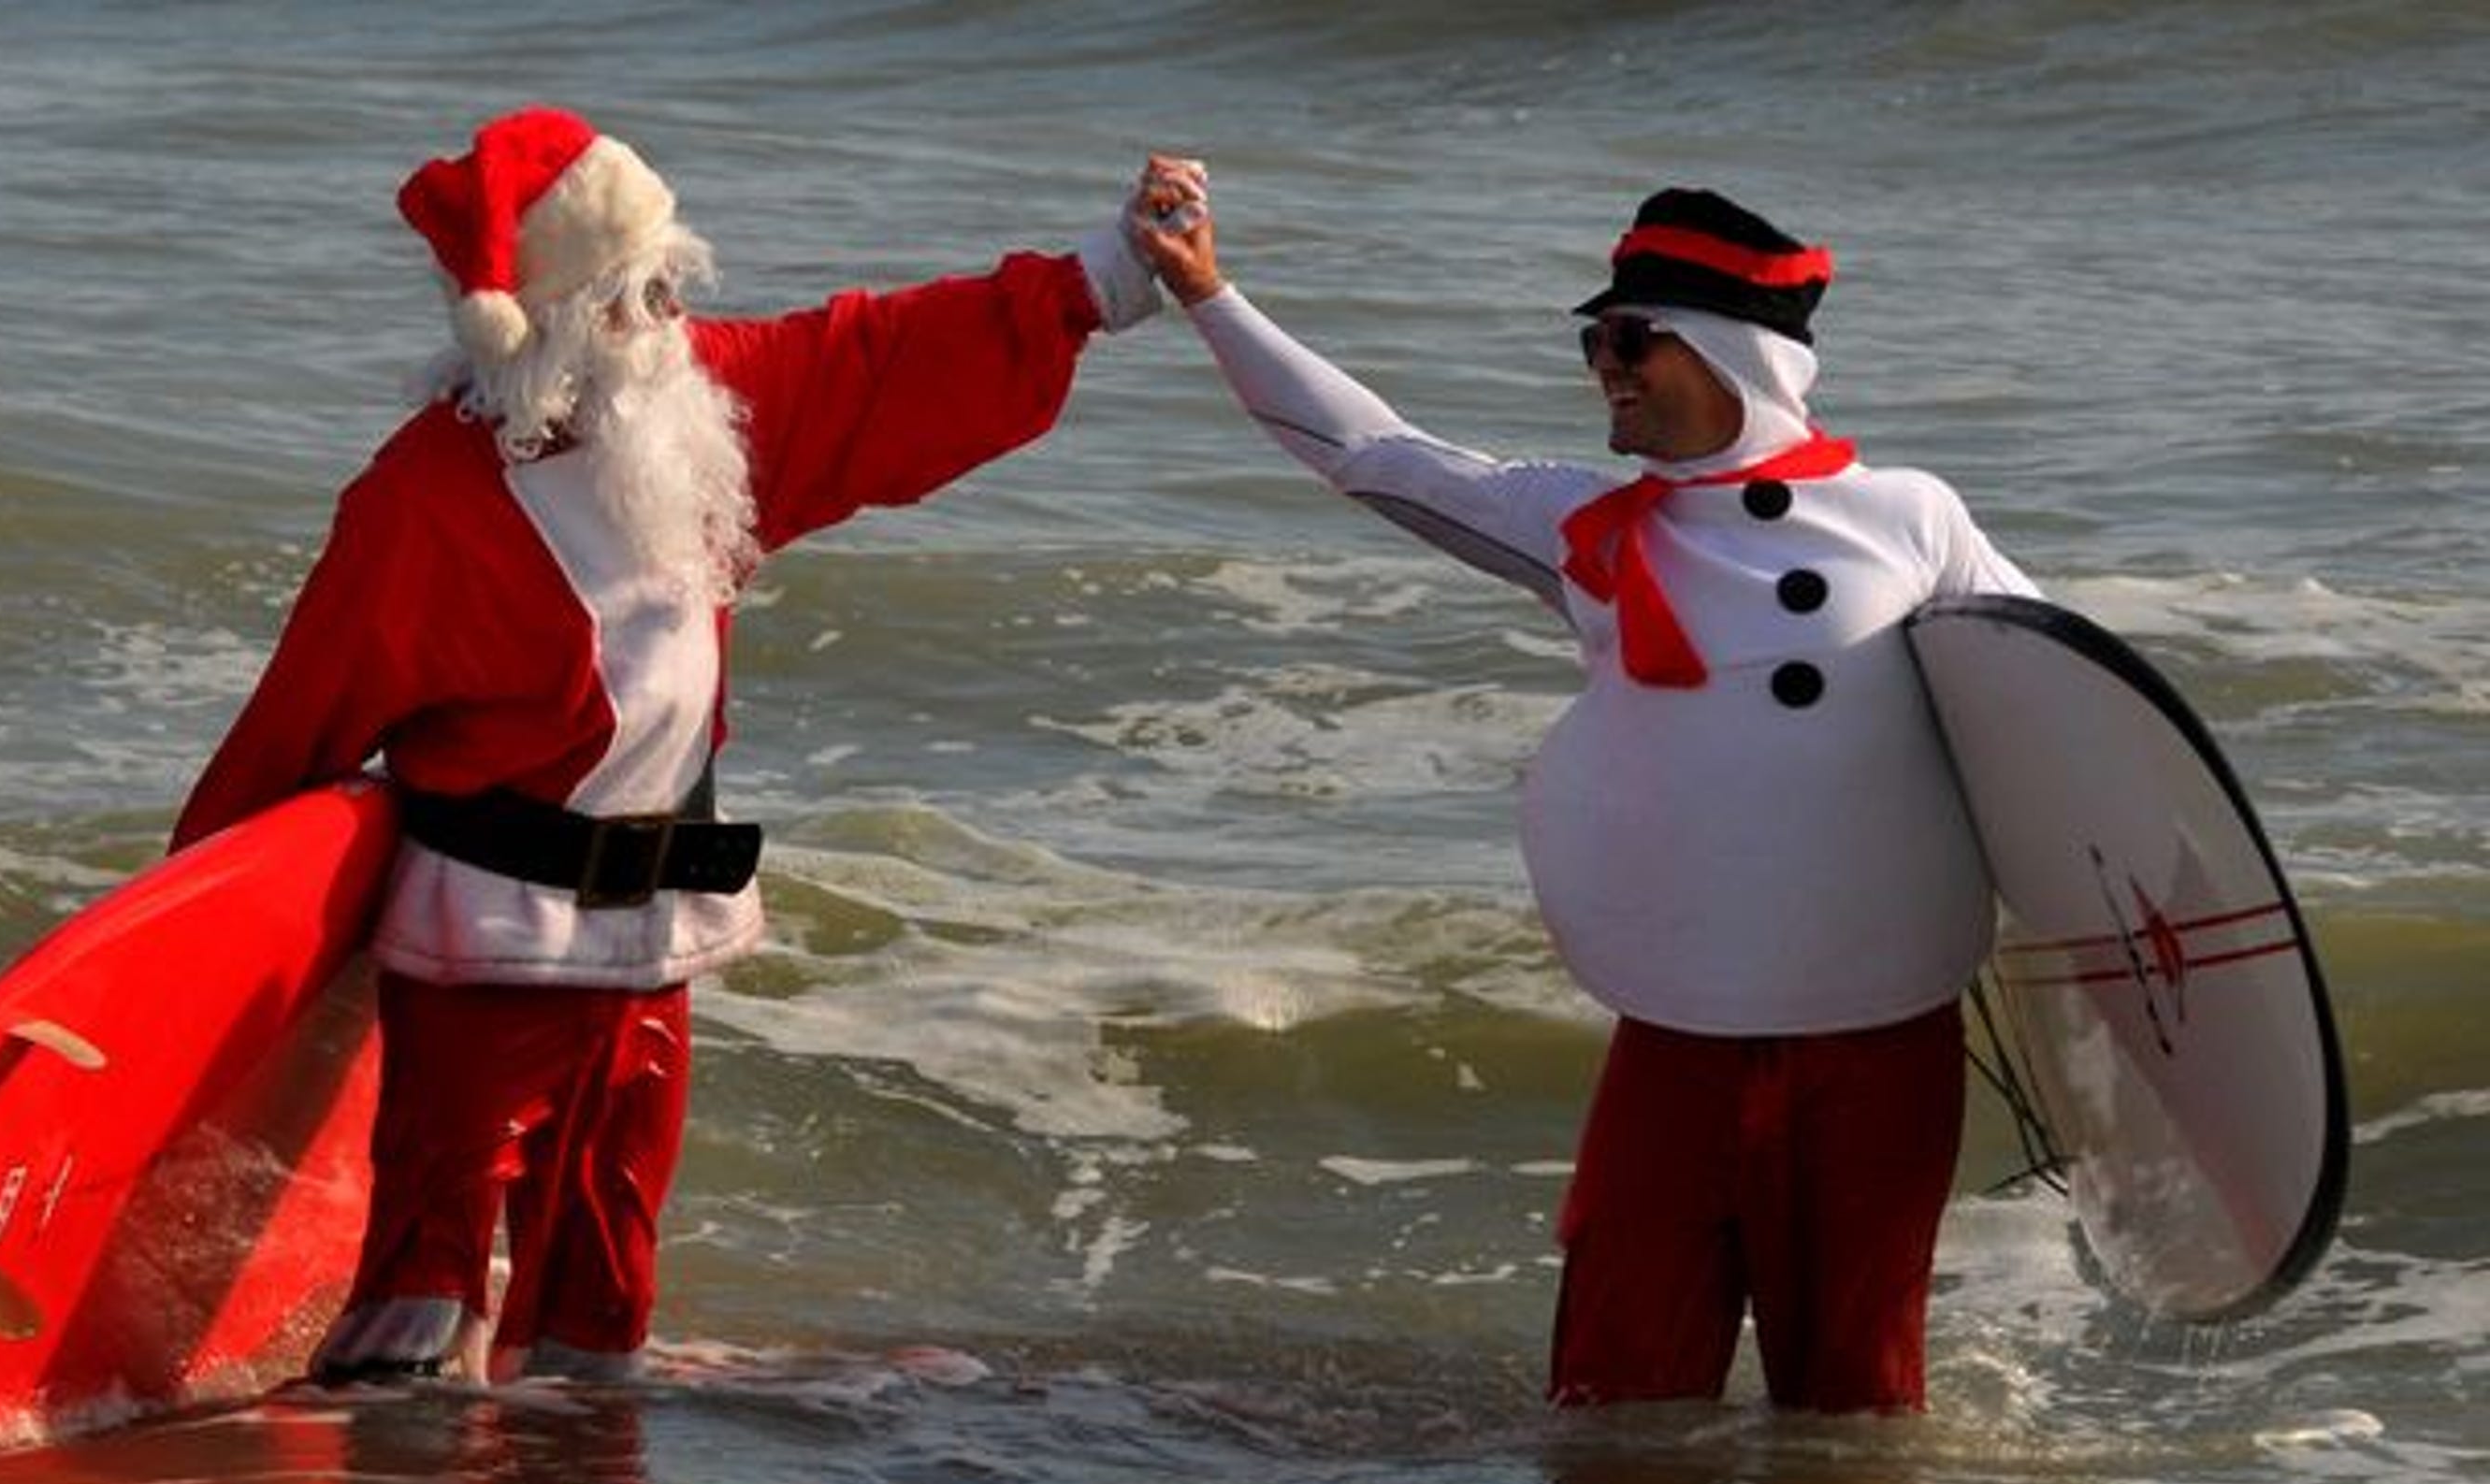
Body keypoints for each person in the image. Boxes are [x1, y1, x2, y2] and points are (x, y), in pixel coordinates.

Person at [170, 106, 1171, 1385]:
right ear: (546, 322)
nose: (665, 323)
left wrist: (1107, 272)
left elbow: (884, 357)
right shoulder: (419, 504)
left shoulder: (703, 413)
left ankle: (575, 1483)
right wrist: (194, 959)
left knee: (604, 1270)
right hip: (488, 959)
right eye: (631, 298)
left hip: (652, 947)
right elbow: (293, 733)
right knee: (427, 1276)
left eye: (666, 286)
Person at [1133, 162, 2037, 1413]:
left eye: (1629, 338)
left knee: (1857, 1420)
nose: (1604, 364)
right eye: (1593, 342)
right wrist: (1211, 298)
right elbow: (1374, 456)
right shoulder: (1593, 535)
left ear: (1735, 354)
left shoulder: (1909, 520)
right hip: (1681, 1030)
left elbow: (2058, 707)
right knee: (1617, 1399)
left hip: (1877, 1033)